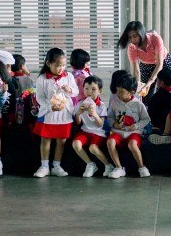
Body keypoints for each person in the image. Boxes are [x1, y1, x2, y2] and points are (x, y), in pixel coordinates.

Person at [32, 48, 78, 177]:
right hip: (48, 113)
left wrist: (69, 90)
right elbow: (39, 97)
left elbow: (76, 92)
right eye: (58, 65)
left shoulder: (68, 76)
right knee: (46, 139)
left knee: (61, 140)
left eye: (63, 65)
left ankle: (56, 165)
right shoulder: (42, 78)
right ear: (48, 64)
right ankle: (44, 166)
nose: (61, 68)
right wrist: (50, 106)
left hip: (64, 113)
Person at [117, 21, 171, 105]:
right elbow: (135, 71)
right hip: (146, 64)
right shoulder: (131, 47)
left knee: (163, 93)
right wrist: (138, 86)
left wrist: (150, 82)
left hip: (163, 62)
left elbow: (159, 64)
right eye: (130, 37)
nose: (133, 40)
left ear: (141, 33)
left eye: (135, 36)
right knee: (143, 94)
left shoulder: (155, 39)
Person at [107, 74, 151, 178]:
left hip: (133, 133)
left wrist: (136, 126)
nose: (118, 93)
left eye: (121, 92)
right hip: (118, 132)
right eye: (117, 90)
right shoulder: (114, 102)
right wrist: (114, 124)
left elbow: (146, 119)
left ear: (131, 92)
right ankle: (118, 167)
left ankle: (141, 166)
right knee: (110, 141)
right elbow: (110, 117)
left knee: (132, 144)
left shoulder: (138, 104)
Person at [72, 75, 115, 178]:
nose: (89, 92)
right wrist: (78, 113)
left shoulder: (101, 106)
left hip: (98, 132)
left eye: (93, 89)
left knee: (92, 148)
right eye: (86, 89)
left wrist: (95, 114)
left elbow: (100, 124)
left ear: (100, 90)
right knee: (76, 144)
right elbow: (78, 123)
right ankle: (90, 164)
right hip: (85, 131)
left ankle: (108, 165)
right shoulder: (80, 104)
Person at [147, 68, 171, 132]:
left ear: (161, 83)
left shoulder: (156, 97)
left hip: (158, 126)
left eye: (157, 80)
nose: (156, 82)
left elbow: (150, 112)